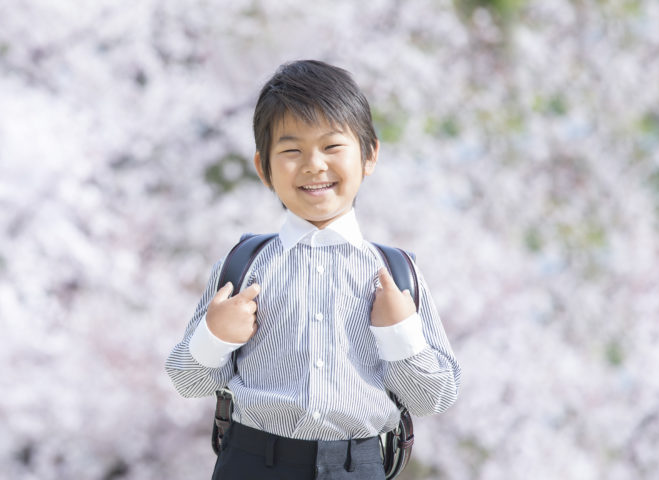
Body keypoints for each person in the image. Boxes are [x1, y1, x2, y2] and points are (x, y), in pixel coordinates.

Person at [166, 60, 461, 480]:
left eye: (332, 146)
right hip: (252, 462)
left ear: (369, 154)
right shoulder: (242, 265)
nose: (313, 164)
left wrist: (400, 334)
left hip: (356, 466)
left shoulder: (398, 273)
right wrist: (214, 335)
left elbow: (434, 398)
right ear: (263, 168)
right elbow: (188, 382)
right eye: (290, 150)